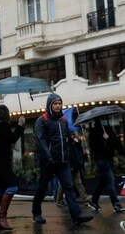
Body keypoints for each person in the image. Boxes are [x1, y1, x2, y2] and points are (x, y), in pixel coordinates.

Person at [32, 94, 93, 225]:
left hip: (64, 160)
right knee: (42, 187)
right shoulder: (42, 120)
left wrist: (71, 139)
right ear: (50, 105)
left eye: (59, 103)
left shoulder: (63, 120)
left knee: (69, 187)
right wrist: (48, 156)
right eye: (55, 103)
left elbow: (65, 137)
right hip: (48, 161)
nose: (58, 106)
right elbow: (40, 141)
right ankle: (36, 213)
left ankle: (76, 215)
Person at [0, 104, 25, 230]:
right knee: (12, 186)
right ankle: (1, 217)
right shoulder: (3, 125)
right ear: (6, 114)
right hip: (2, 164)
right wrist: (20, 125)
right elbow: (12, 139)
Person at [87, 116, 125, 212]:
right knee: (110, 180)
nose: (104, 121)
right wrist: (103, 140)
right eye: (102, 119)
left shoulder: (109, 130)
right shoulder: (94, 132)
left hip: (109, 159)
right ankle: (116, 204)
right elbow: (94, 147)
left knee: (102, 181)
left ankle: (93, 201)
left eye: (105, 119)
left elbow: (117, 145)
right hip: (101, 160)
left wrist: (109, 139)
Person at [55, 131, 90, 207]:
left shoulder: (75, 142)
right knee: (65, 183)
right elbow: (69, 154)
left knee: (77, 182)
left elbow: (78, 152)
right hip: (69, 165)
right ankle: (59, 200)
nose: (74, 136)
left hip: (74, 165)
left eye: (74, 135)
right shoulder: (67, 143)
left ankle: (84, 197)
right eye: (72, 135)